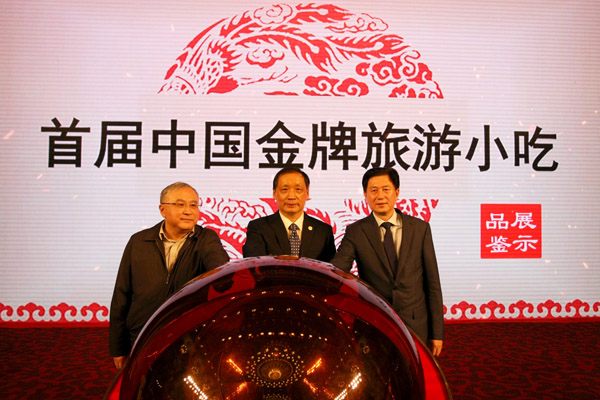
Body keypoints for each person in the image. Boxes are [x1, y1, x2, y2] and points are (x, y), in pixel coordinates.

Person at [109, 182, 229, 369]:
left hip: (188, 335)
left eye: (193, 205)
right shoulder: (139, 242)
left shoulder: (206, 239)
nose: (188, 211)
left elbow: (220, 271)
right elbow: (121, 295)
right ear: (162, 210)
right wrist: (118, 348)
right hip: (142, 334)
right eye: (180, 204)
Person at [331, 167, 444, 356]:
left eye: (386, 189)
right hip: (375, 322)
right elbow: (339, 267)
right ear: (365, 195)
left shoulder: (419, 228)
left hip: (415, 324)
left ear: (396, 192)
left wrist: (437, 333)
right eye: (374, 190)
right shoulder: (356, 231)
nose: (380, 196)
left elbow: (432, 283)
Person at [243, 167, 336, 262]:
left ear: (307, 193)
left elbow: (330, 268)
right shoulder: (259, 228)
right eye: (285, 189)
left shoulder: (323, 231)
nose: (291, 196)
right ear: (274, 193)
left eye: (298, 189)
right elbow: (254, 264)